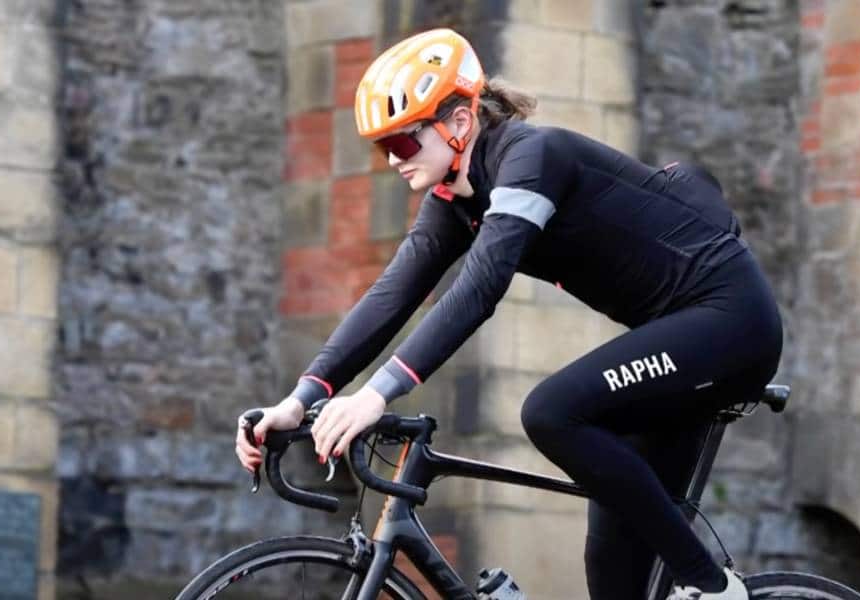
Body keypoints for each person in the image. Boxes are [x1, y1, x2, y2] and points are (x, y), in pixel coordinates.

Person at [235, 27, 782, 600]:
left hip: (730, 322)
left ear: (459, 125)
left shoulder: (530, 157)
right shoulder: (453, 199)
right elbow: (390, 296)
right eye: (382, 148)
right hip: (679, 342)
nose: (392, 161)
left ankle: (713, 588)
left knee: (551, 412)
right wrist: (298, 399)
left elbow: (478, 291)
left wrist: (376, 395)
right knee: (614, 570)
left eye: (401, 144)